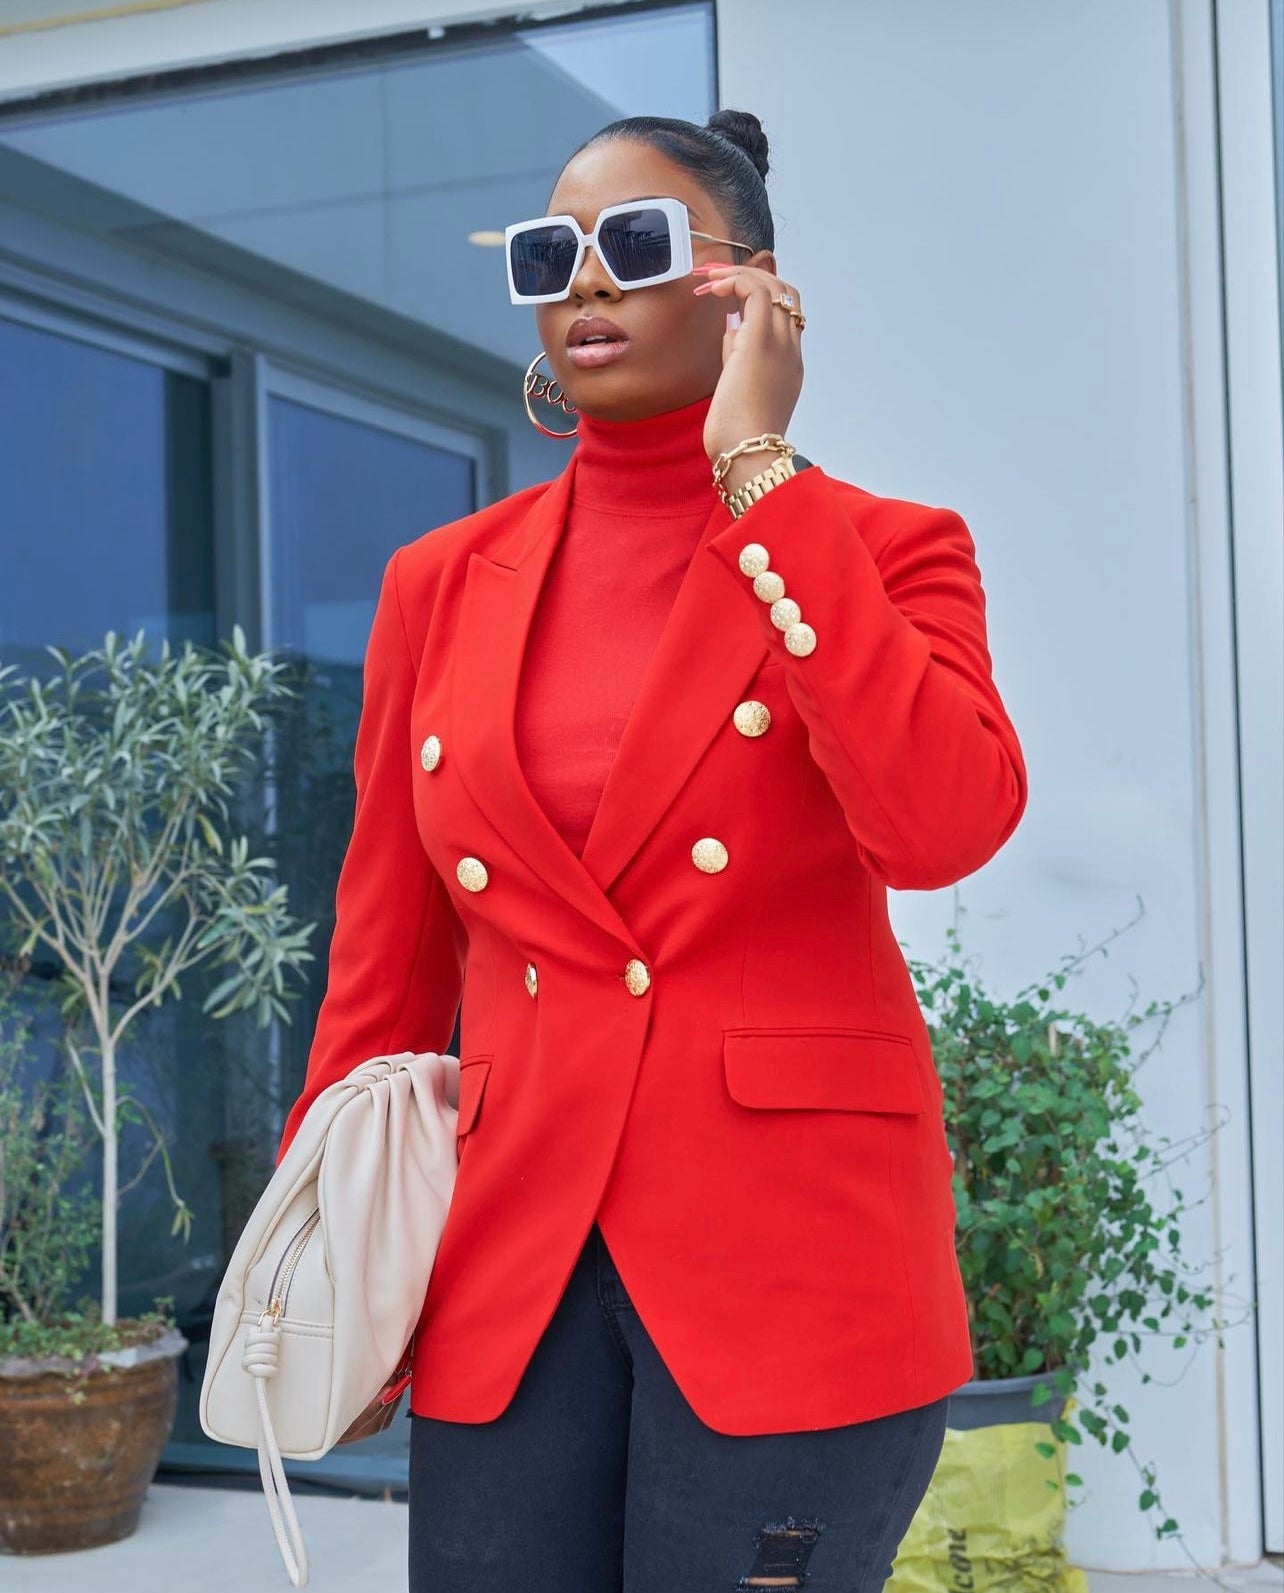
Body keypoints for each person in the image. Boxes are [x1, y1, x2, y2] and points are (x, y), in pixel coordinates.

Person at [276, 108, 1029, 1591]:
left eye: (634, 247)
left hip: (792, 1264)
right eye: (551, 256)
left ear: (749, 288)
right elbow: (384, 959)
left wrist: (758, 470)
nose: (586, 286)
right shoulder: (440, 584)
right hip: (508, 1259)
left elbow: (942, 825)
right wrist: (331, 1246)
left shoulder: (880, 546)